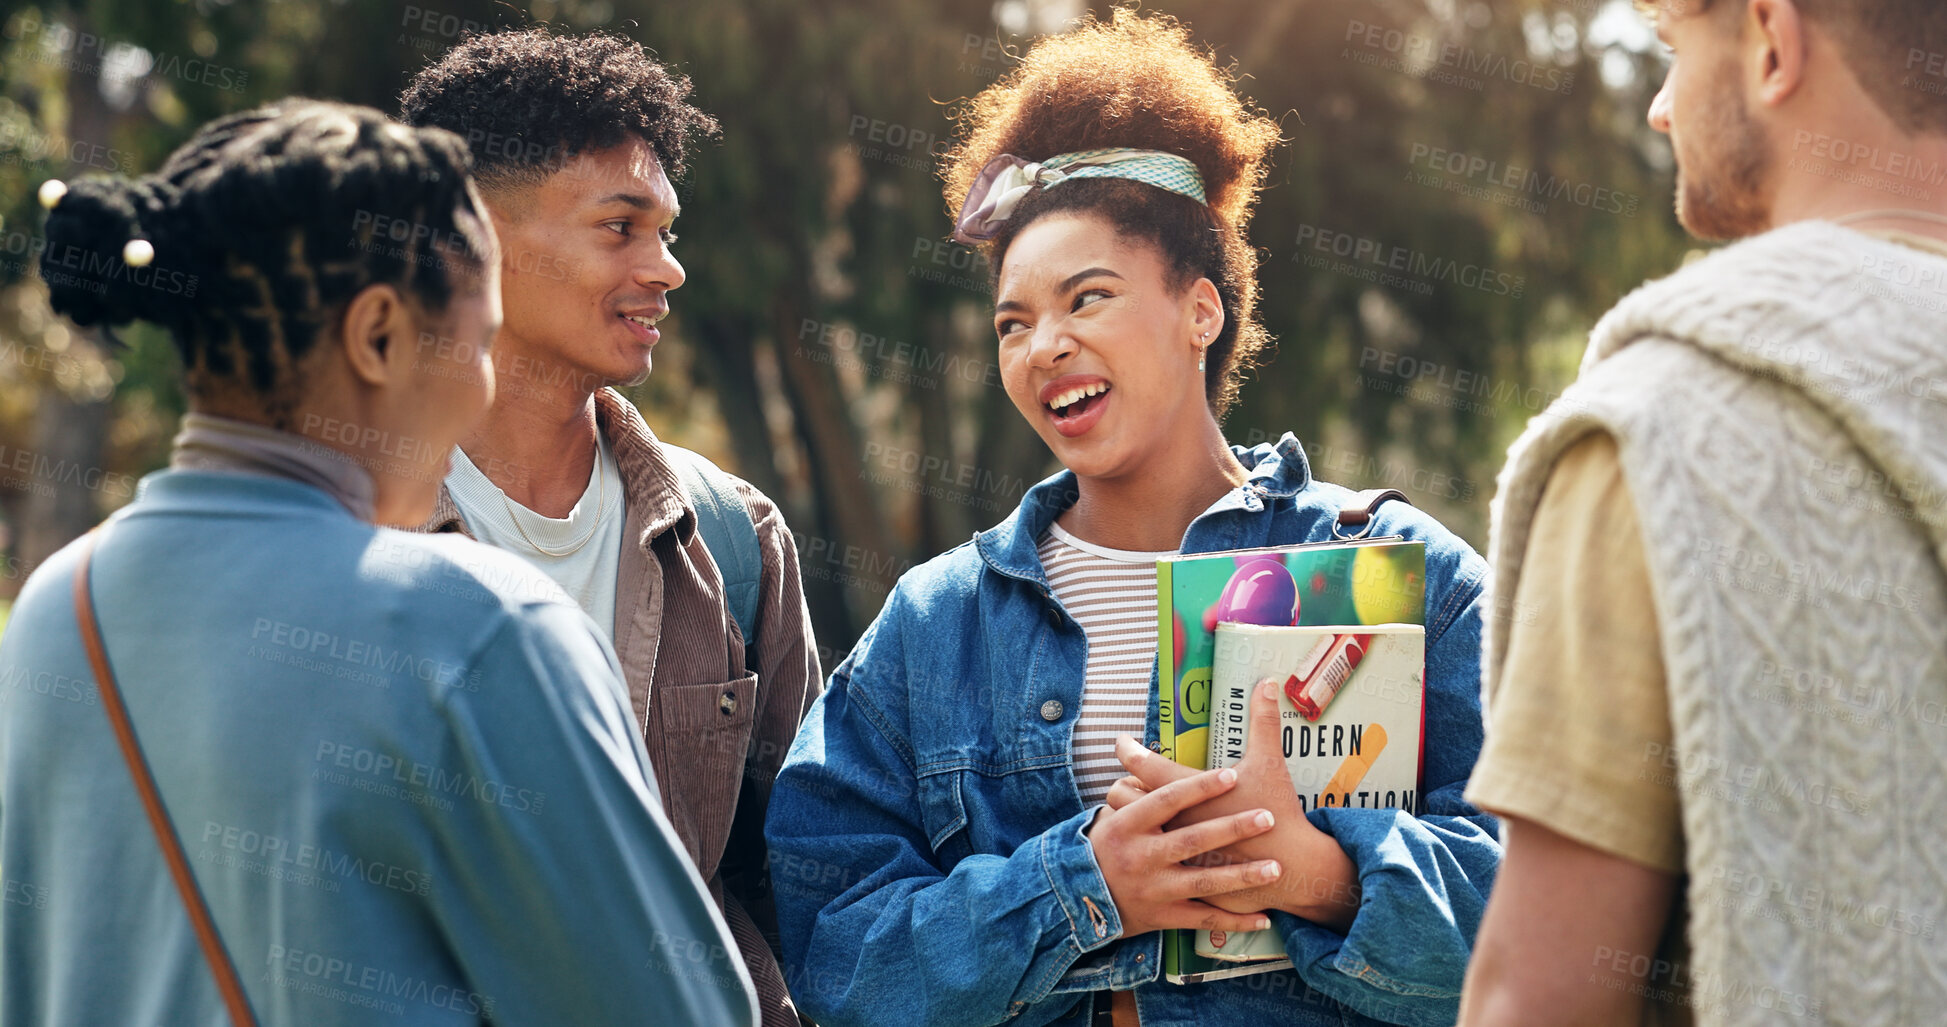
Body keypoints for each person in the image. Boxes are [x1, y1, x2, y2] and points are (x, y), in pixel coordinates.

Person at [766, 12, 1501, 1027]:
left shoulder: (1404, 573)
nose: (1044, 346)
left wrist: (1323, 877)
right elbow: (832, 951)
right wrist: (1082, 885)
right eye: (1013, 323)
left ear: (1201, 311)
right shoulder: (935, 623)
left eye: (1088, 298)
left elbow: (1545, 919)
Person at [0, 100, 756, 1026]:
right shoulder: (477, 629)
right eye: (478, 343)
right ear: (379, 336)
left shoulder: (55, 607)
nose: (480, 384)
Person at [1458, 1, 1947, 1024]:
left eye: (1679, 52)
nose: (1661, 109)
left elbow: (1535, 1001)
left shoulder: (1667, 425)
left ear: (1773, 38)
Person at [397, 27, 822, 1026]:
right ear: (474, 235)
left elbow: (802, 885)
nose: (666, 268)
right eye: (620, 226)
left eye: (666, 231)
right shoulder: (345, 533)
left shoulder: (734, 538)